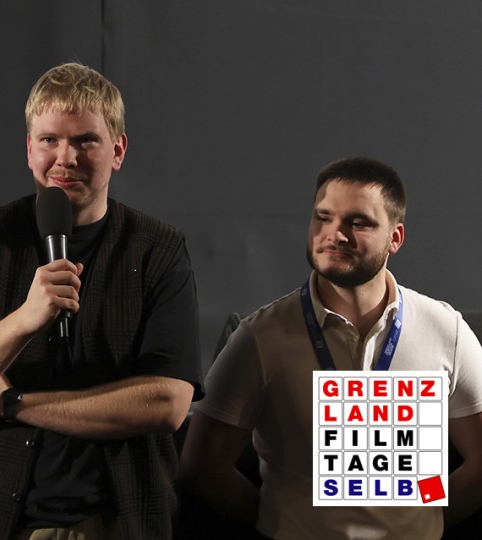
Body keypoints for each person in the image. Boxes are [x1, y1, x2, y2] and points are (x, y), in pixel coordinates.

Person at [0, 62, 203, 539]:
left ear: (118, 150)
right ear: (29, 149)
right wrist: (25, 320)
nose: (66, 158)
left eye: (86, 140)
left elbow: (167, 403)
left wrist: (14, 403)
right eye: (49, 140)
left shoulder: (157, 250)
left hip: (112, 523)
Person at [180, 157, 482, 539]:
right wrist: (279, 520)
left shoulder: (445, 330)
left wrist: (424, 520)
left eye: (358, 222)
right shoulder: (259, 337)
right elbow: (200, 467)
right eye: (323, 218)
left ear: (395, 238)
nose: (334, 234)